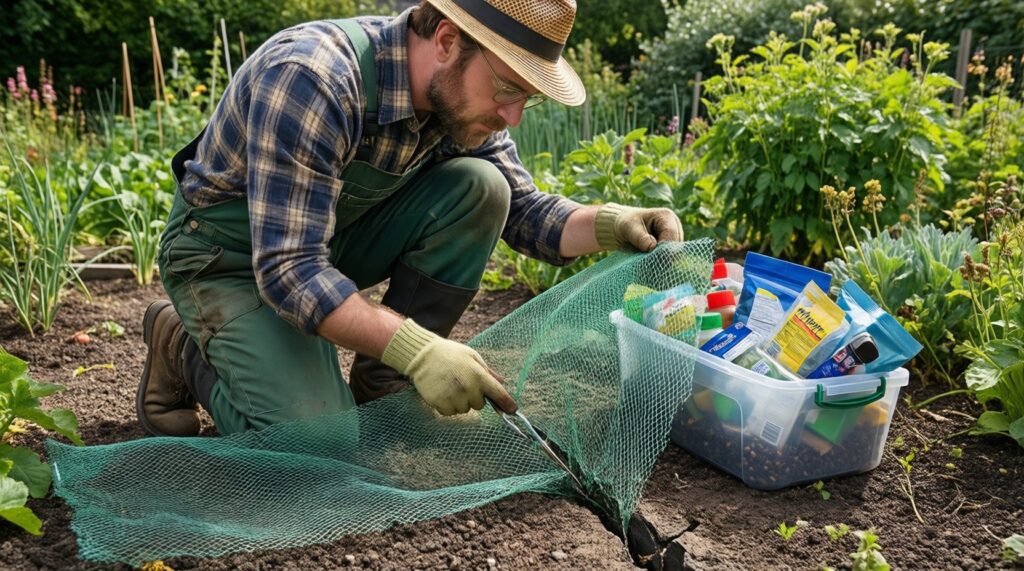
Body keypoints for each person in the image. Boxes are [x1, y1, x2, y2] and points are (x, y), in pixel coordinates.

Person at [138, 0, 683, 437]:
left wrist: (615, 223)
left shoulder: (459, 103)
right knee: (317, 448)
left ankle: (385, 388)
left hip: (324, 244)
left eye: (529, 98)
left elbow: (525, 210)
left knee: (483, 186)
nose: (512, 115)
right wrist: (419, 346)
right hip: (229, 260)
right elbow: (290, 272)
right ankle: (181, 347)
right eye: (509, 88)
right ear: (447, 40)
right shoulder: (314, 77)